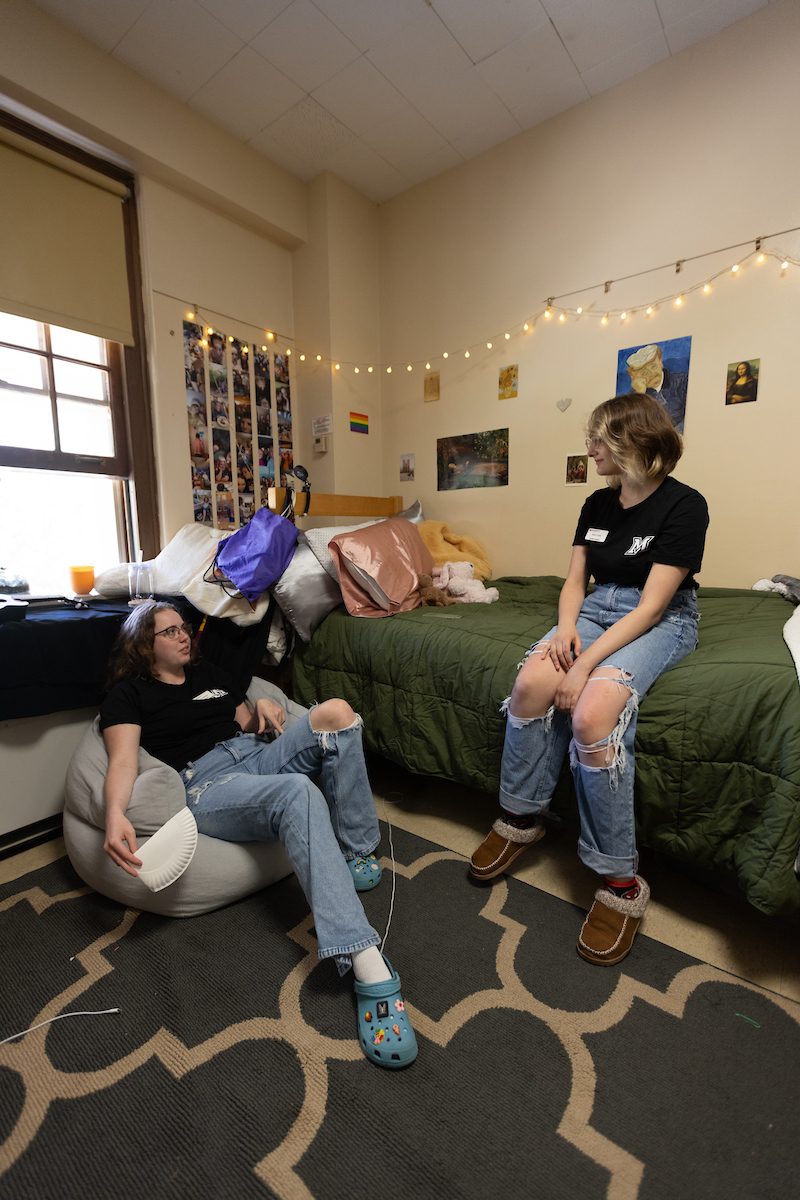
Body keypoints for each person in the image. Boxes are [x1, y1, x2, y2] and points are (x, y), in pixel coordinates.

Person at [99, 602, 418, 1069]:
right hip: (205, 783)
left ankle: (354, 850)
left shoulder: (209, 673)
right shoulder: (128, 695)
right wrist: (113, 813)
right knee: (296, 793)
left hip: (253, 752)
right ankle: (366, 961)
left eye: (184, 627)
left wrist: (262, 707)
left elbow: (248, 722)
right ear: (144, 646)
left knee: (336, 712)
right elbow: (123, 762)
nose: (184, 635)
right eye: (170, 631)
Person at [470, 393, 709, 966]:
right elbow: (575, 581)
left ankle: (620, 883)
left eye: (600, 439)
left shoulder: (685, 506)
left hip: (663, 616)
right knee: (530, 687)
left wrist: (582, 666)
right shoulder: (598, 503)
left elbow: (651, 608)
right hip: (598, 607)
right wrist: (565, 630)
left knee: (592, 713)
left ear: (635, 444)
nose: (591, 449)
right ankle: (521, 817)